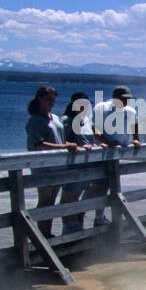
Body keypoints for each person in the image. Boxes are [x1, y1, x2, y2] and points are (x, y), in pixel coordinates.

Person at [25, 86, 79, 237]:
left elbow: (59, 138)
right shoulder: (35, 120)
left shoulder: (54, 118)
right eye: (48, 99)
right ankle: (42, 235)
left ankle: (47, 233)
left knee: (52, 202)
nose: (51, 102)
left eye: (53, 100)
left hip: (58, 166)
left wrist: (69, 145)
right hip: (43, 167)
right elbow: (38, 144)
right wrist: (64, 146)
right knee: (45, 201)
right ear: (39, 99)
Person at [62, 92, 110, 230]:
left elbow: (84, 140)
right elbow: (64, 140)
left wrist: (96, 146)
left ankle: (75, 225)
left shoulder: (83, 121)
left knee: (75, 197)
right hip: (72, 166)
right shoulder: (67, 120)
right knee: (68, 198)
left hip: (84, 166)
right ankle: (68, 227)